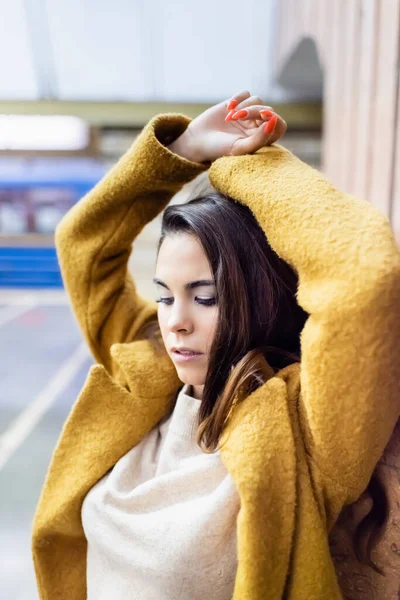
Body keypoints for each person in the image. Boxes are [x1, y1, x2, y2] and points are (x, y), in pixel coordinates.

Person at [31, 91, 400, 600]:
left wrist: (244, 164)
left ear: (260, 299)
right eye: (164, 296)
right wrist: (185, 149)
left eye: (205, 298)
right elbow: (82, 244)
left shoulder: (305, 431)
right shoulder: (150, 369)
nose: (175, 322)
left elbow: (364, 281)